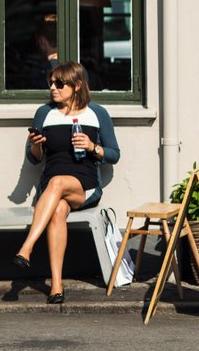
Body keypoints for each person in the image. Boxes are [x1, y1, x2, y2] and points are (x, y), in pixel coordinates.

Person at [14, 61, 120, 304]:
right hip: (52, 183)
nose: (53, 87)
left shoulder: (96, 113)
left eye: (59, 83)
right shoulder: (44, 113)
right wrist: (35, 145)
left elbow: (114, 154)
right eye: (50, 82)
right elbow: (34, 160)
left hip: (85, 185)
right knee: (58, 210)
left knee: (58, 183)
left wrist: (93, 147)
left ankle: (27, 246)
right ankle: (57, 286)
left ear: (77, 85)